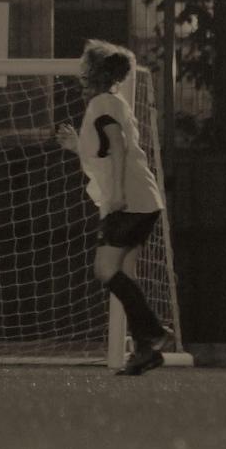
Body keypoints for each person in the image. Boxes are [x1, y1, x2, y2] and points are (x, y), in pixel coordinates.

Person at [54, 40, 172, 376]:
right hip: (142, 200)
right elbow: (108, 151)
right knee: (125, 273)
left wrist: (118, 193)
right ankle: (145, 348)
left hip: (129, 201)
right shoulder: (111, 102)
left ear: (93, 71)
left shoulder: (103, 103)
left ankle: (153, 333)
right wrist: (78, 147)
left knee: (106, 270)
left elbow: (118, 147)